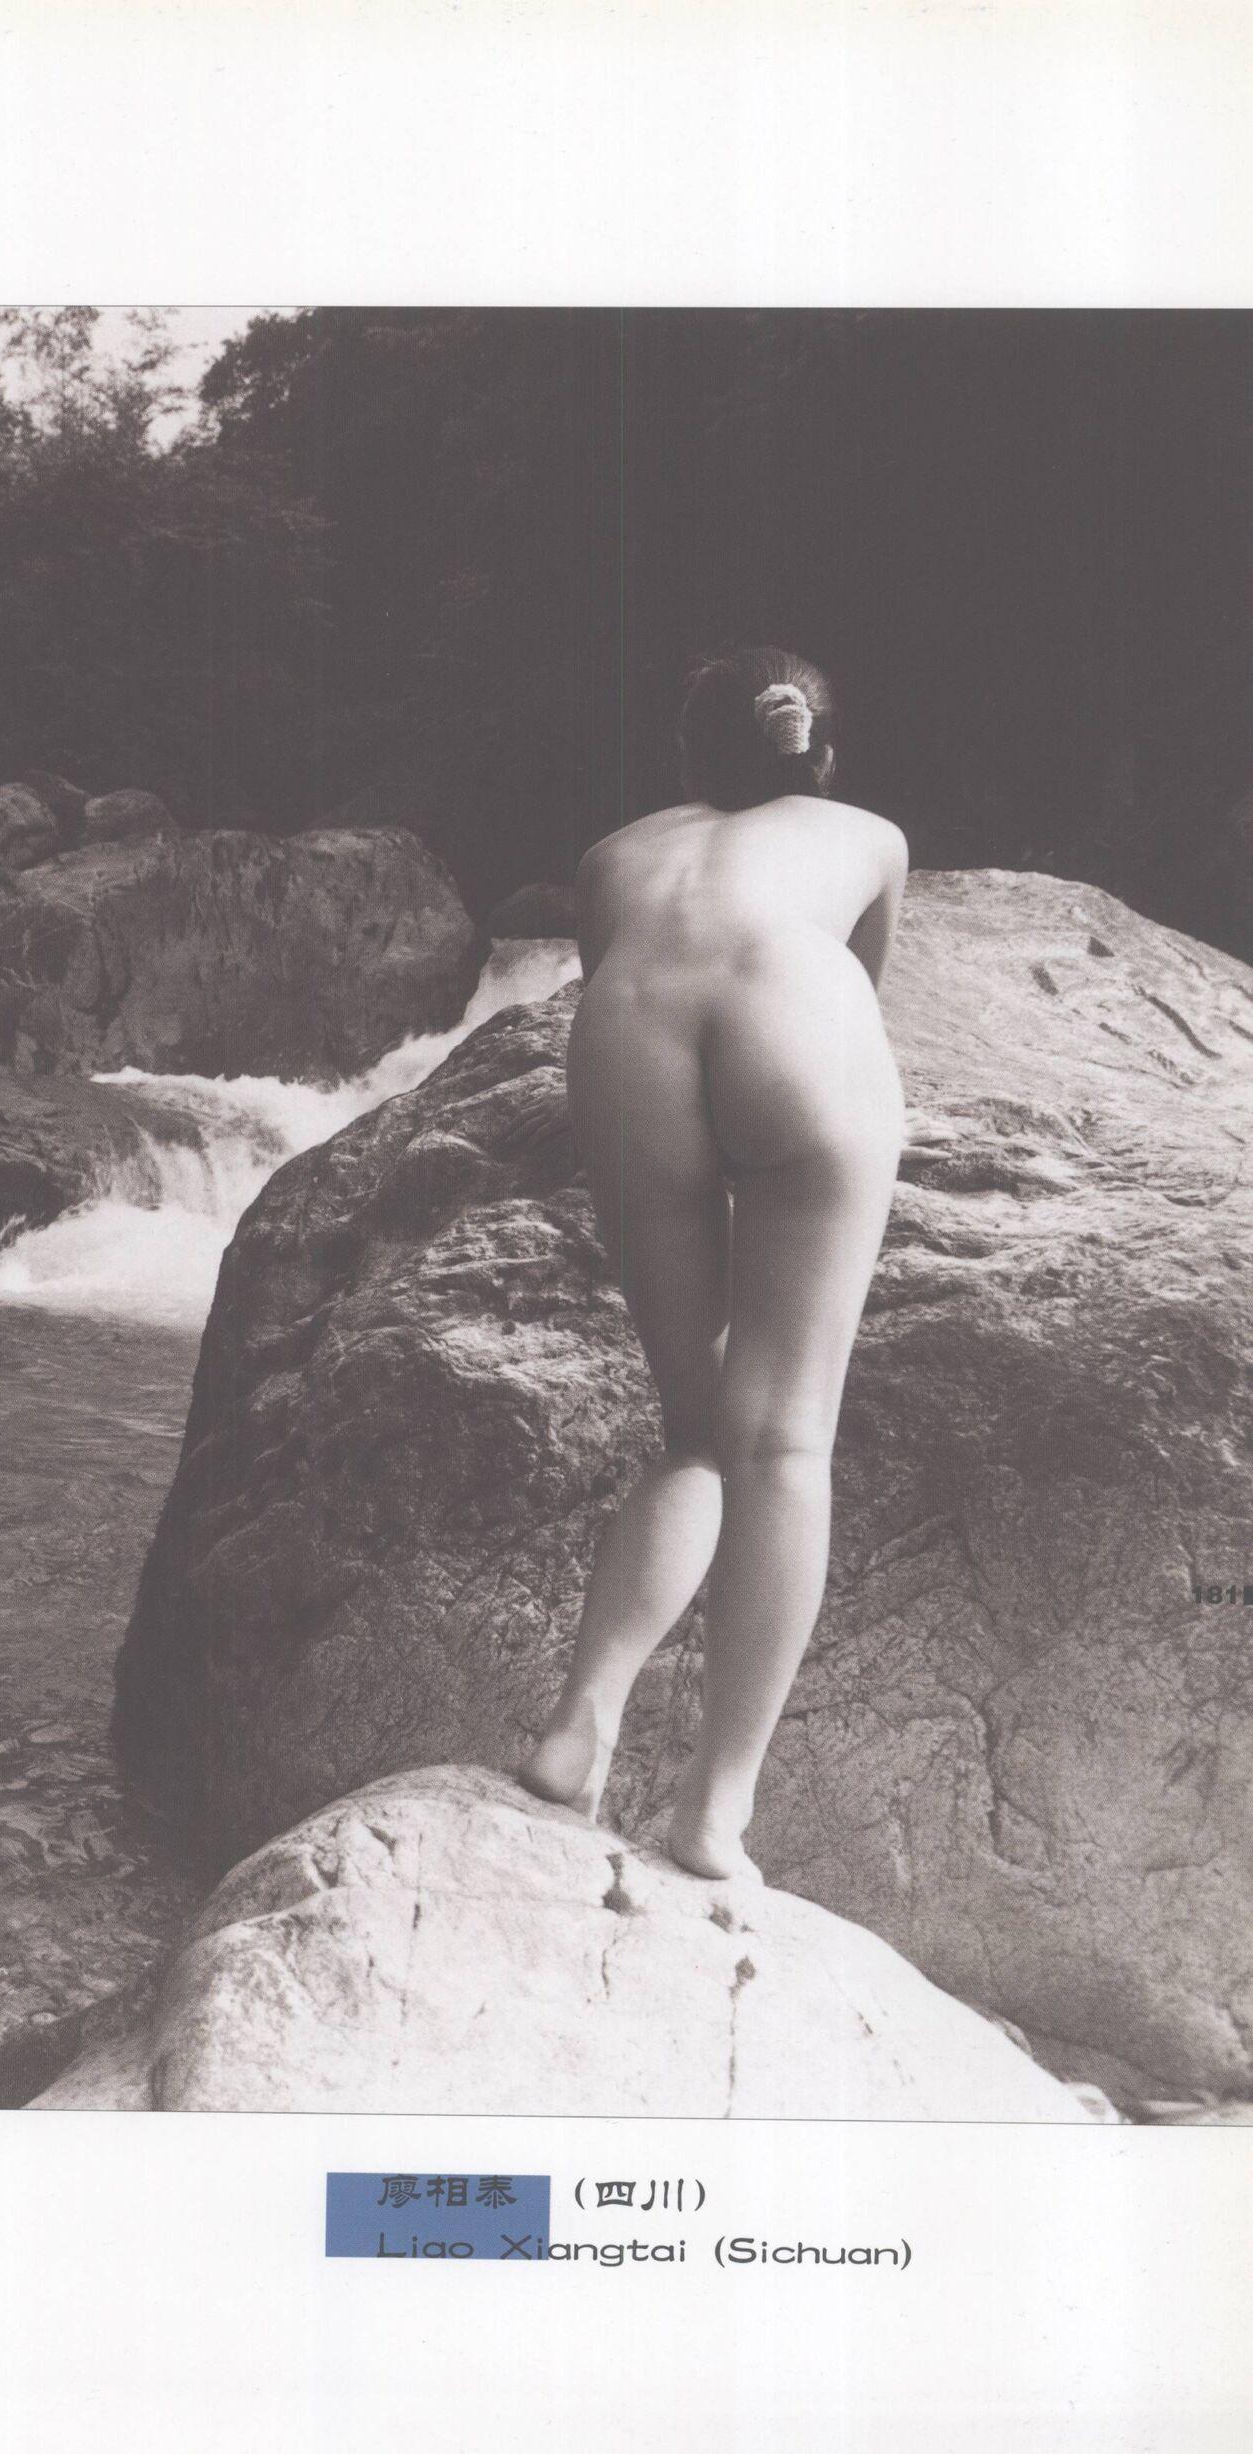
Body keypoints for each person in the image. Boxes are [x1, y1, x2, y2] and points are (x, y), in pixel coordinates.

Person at [505, 646, 908, 1881]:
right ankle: (715, 1809)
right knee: (780, 1443)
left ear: (687, 758)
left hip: (632, 1038)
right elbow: (861, 987)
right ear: (822, 758)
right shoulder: (869, 835)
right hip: (796, 1023)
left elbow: (614, 969)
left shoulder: (612, 857)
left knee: (695, 1433)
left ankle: (580, 1721)